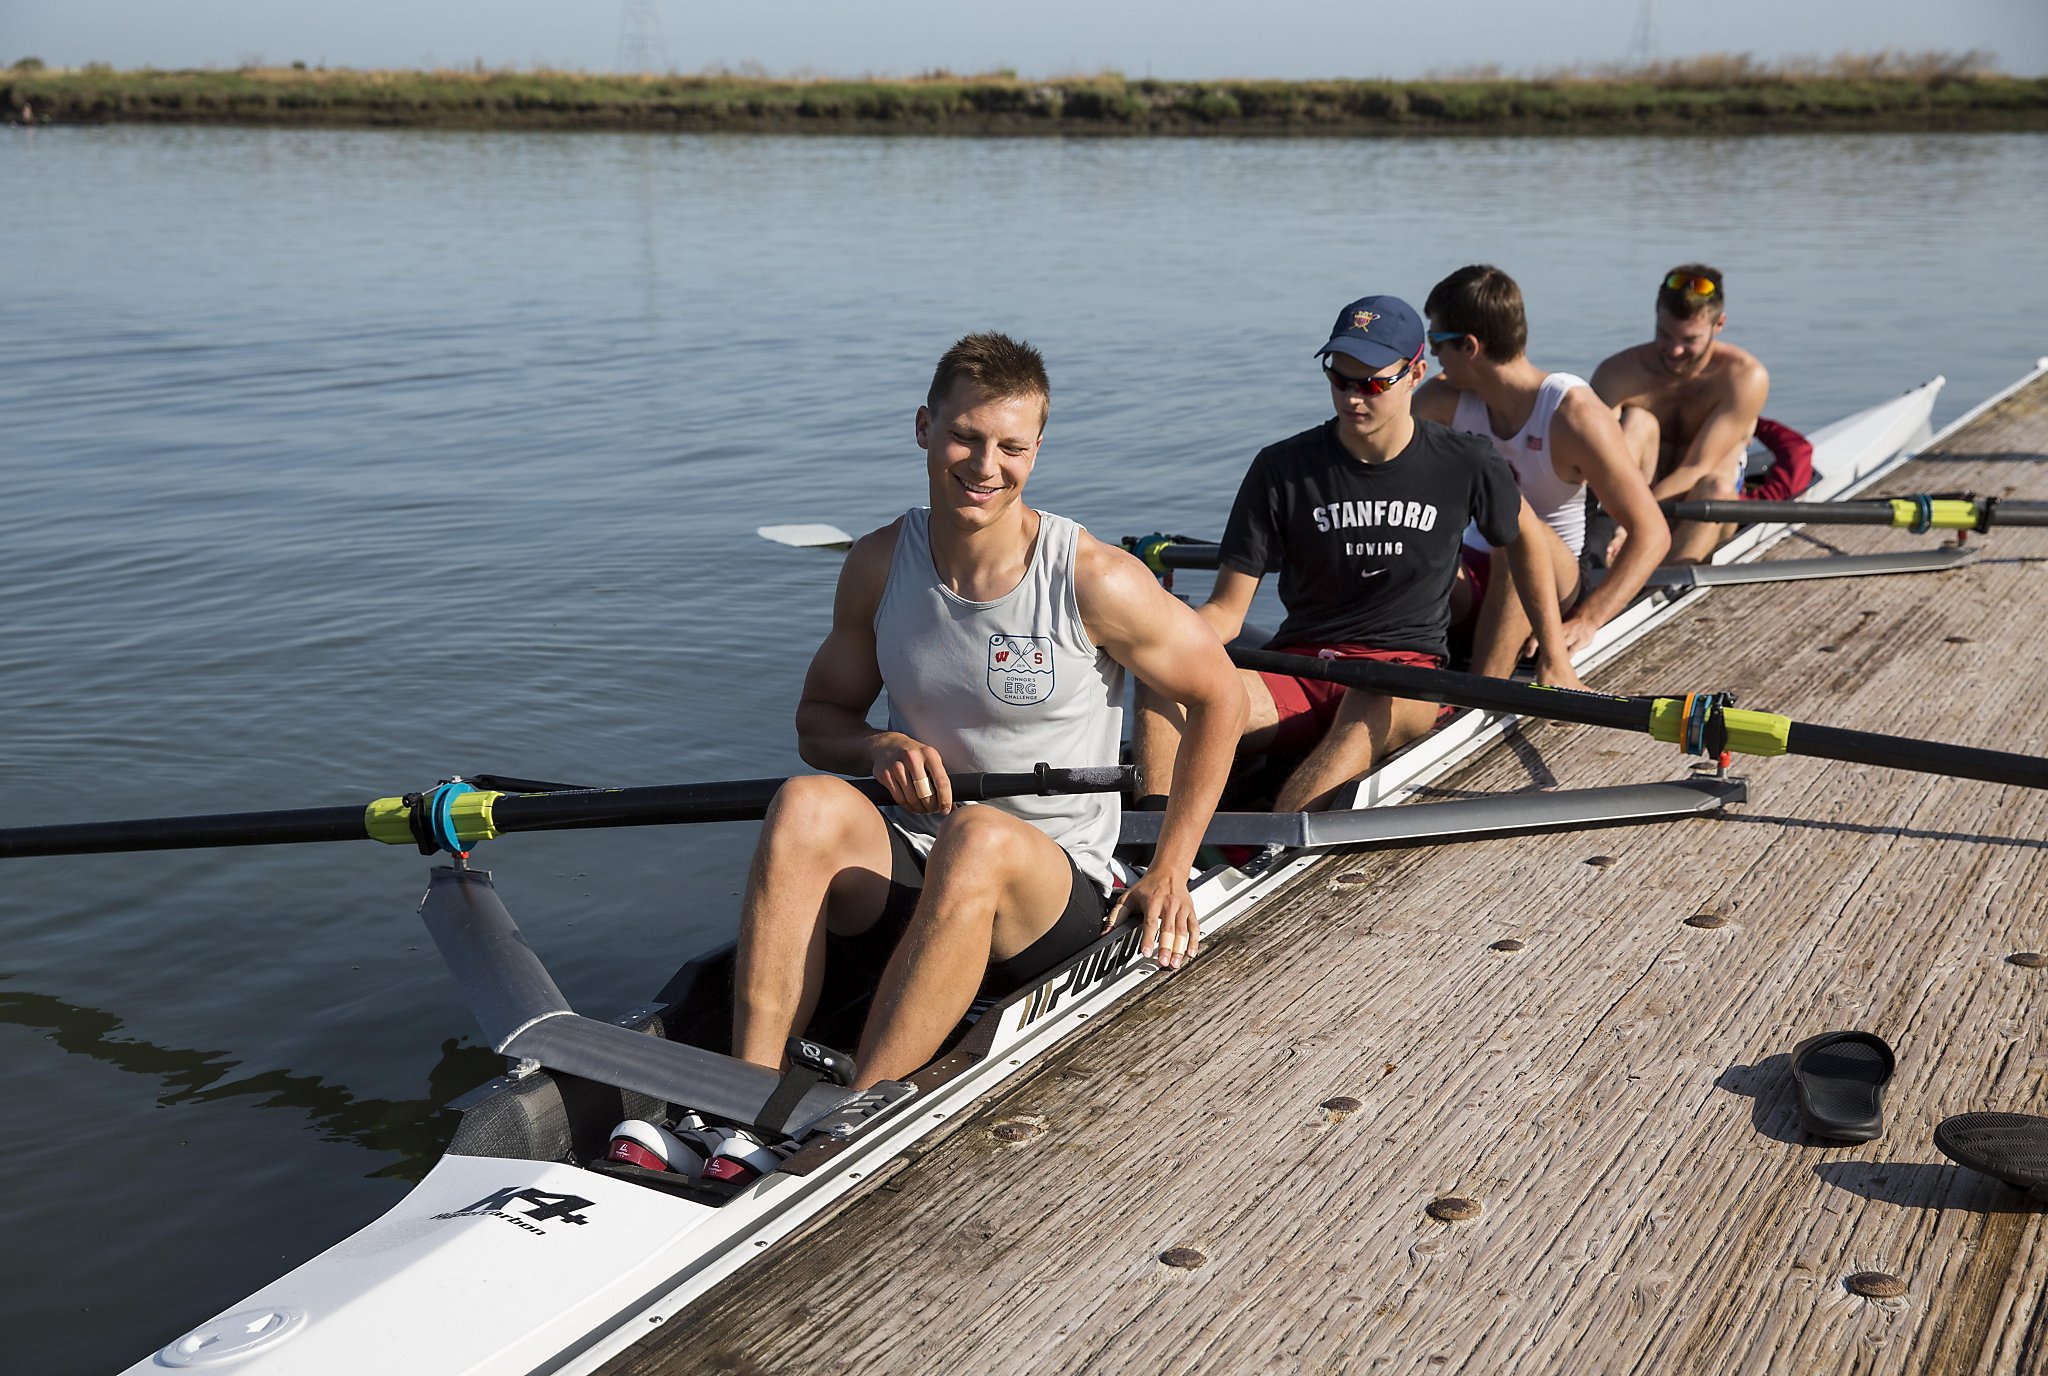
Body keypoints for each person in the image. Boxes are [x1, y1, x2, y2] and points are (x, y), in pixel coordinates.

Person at [729, 332, 1244, 1108]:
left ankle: (848, 1120)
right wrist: (878, 743)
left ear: (1037, 450)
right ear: (923, 429)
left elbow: (1221, 697)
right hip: (923, 858)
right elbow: (819, 720)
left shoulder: (1093, 577)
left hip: (1054, 896)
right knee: (804, 803)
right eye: (965, 437)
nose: (983, 466)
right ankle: (740, 1099)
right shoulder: (877, 563)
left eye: (1010, 447)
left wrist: (1171, 866)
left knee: (978, 835)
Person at [1132, 295, 1585, 818]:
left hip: (1405, 674)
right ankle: (1151, 842)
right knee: (1164, 678)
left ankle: (1272, 852)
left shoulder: (1464, 461)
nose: (1353, 398)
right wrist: (1156, 642)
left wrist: (1554, 656)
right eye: (1339, 380)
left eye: (1372, 383)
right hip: (1300, 669)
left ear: (1416, 373)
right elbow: (1229, 612)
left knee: (1370, 695)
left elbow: (1525, 538)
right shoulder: (1281, 468)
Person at [1413, 265, 1671, 678]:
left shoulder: (1573, 415)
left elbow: (1652, 534)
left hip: (1557, 582)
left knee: (1514, 532)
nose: (1432, 355)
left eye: (1436, 341)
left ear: (1470, 347)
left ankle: (1484, 696)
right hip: (1475, 570)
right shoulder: (1441, 401)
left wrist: (1588, 620)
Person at [1590, 265, 1772, 564]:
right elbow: (1588, 461)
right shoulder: (1617, 373)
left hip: (1701, 508)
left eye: (1689, 340)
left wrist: (1633, 525)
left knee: (1716, 485)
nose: (1674, 350)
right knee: (1637, 422)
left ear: (1719, 325)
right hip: (1630, 511)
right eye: (1664, 334)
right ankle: (1605, 559)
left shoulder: (1744, 377)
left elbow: (1697, 468)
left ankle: (1658, 586)